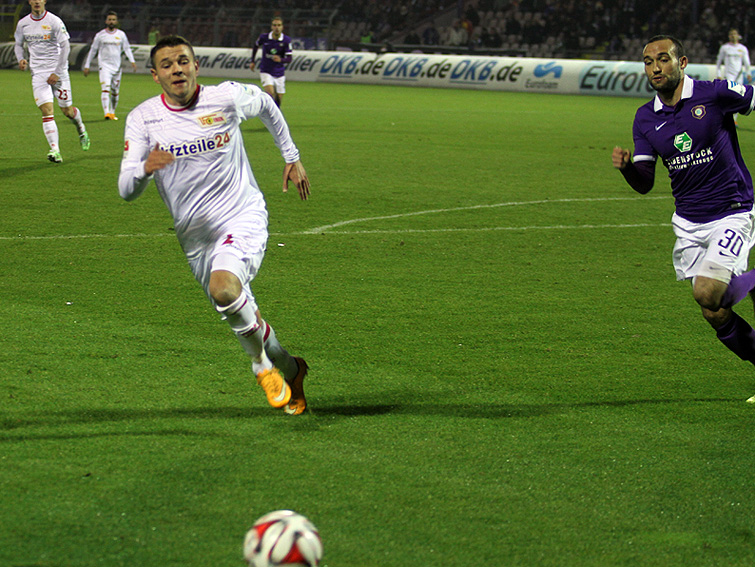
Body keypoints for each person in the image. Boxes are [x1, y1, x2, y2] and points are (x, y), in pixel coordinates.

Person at [118, 35, 312, 414]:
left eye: (183, 61)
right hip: (196, 238)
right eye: (167, 65)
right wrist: (145, 169)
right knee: (245, 315)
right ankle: (292, 369)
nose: (177, 69)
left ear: (196, 65)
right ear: (155, 75)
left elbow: (267, 104)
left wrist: (292, 156)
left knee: (223, 289)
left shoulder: (226, 97)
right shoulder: (143, 119)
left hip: (242, 215)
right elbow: (126, 189)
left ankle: (261, 367)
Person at [612, 35, 755, 402]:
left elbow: (751, 97)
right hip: (689, 223)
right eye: (648, 62)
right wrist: (627, 168)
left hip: (732, 211)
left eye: (663, 59)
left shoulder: (713, 93)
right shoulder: (645, 118)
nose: (655, 68)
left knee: (706, 291)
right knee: (713, 311)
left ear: (682, 62)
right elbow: (645, 183)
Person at [14, 0, 90, 163]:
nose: (37, 1)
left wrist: (57, 72)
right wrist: (21, 58)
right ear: (30, 1)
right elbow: (18, 44)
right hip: (38, 73)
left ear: (44, 1)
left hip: (58, 72)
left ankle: (81, 128)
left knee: (67, 112)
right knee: (47, 110)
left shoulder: (54, 21)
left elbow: (65, 46)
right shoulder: (23, 24)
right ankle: (55, 150)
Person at [83, 11, 137, 121]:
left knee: (115, 92)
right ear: (106, 21)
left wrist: (132, 61)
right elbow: (93, 50)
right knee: (105, 88)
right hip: (104, 66)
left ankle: (112, 112)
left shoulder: (121, 35)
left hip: (117, 67)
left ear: (116, 21)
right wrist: (87, 65)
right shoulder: (100, 35)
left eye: (113, 20)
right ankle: (106, 113)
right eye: (110, 20)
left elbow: (126, 48)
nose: (111, 22)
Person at [249, 17, 292, 108]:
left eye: (279, 25)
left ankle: (272, 113)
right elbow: (256, 46)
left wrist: (281, 60)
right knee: (270, 94)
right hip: (266, 70)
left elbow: (289, 58)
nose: (277, 27)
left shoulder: (286, 40)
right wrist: (252, 61)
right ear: (271, 27)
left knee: (278, 101)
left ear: (282, 27)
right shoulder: (264, 37)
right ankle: (265, 110)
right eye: (274, 25)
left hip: (279, 73)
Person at [716, 28, 752, 125]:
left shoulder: (743, 48)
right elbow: (719, 62)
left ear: (738, 36)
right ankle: (725, 117)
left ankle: (734, 119)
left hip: (739, 76)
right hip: (729, 75)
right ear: (729, 36)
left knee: (738, 97)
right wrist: (718, 74)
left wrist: (748, 73)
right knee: (728, 96)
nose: (733, 36)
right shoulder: (725, 48)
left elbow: (747, 62)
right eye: (731, 34)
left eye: (735, 34)